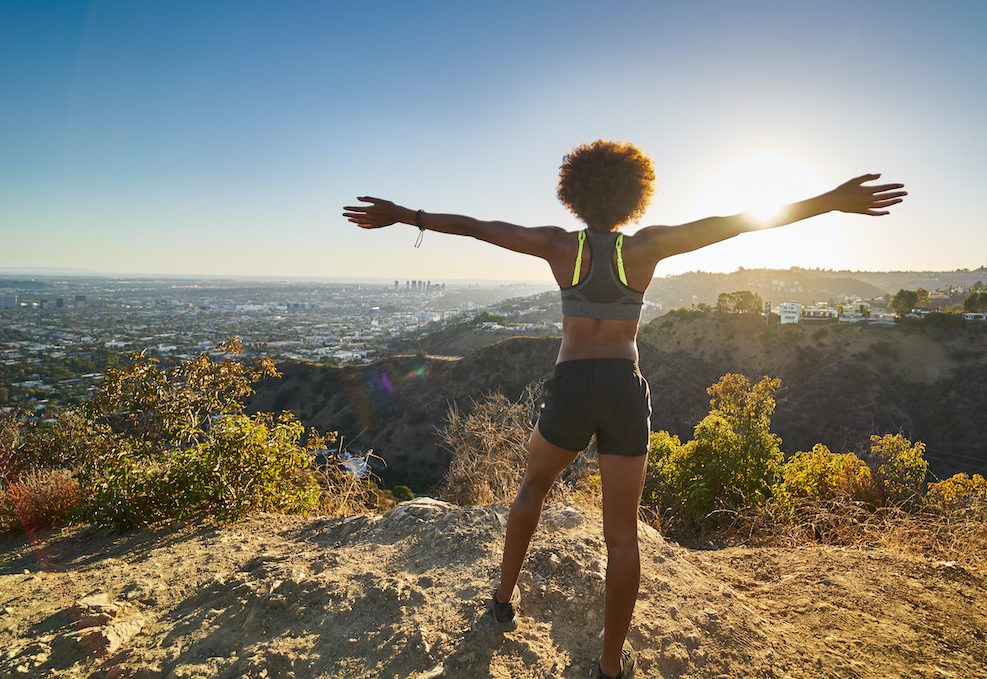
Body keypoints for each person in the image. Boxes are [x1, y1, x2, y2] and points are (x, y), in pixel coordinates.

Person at [343, 140, 904, 679]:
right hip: (623, 387)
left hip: (572, 382)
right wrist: (830, 200)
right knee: (622, 534)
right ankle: (610, 666)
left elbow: (474, 227)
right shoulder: (646, 247)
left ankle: (501, 601)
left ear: (575, 193)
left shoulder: (559, 245)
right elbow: (739, 221)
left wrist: (404, 214)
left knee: (533, 489)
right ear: (636, 193)